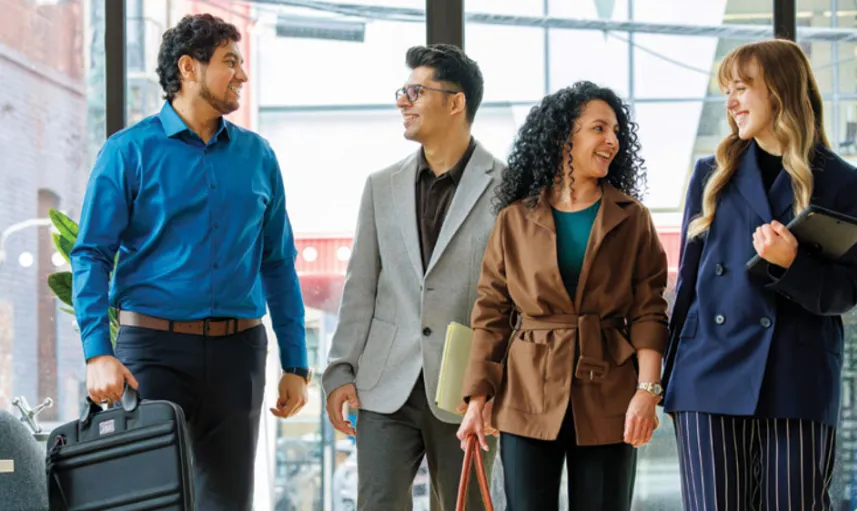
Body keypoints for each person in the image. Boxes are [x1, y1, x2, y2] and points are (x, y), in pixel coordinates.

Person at [71, 13, 310, 510]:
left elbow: (279, 263)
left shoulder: (258, 156)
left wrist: (296, 363)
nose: (242, 75)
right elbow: (92, 254)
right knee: (147, 501)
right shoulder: (126, 152)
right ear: (188, 68)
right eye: (229, 62)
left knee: (228, 503)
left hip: (238, 355)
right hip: (152, 356)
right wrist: (97, 351)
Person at [661, 39, 857, 510]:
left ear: (779, 90)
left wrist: (792, 263)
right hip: (707, 373)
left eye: (741, 88)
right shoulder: (711, 174)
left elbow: (845, 292)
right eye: (726, 91)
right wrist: (663, 383)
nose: (730, 102)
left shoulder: (838, 180)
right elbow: (688, 284)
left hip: (796, 373)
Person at [457, 81, 670, 510]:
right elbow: (491, 314)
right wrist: (476, 400)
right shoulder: (514, 220)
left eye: (615, 132)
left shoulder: (632, 219)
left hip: (610, 389)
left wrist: (646, 391)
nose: (611, 141)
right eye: (598, 128)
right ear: (562, 137)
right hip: (526, 390)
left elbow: (650, 311)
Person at [322, 44, 503, 510]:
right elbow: (360, 285)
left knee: (469, 506)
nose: (402, 101)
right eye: (403, 91)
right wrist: (341, 368)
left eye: (415, 91)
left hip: (465, 388)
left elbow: (511, 297)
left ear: (456, 102)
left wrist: (495, 382)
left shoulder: (508, 188)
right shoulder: (381, 186)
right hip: (386, 383)